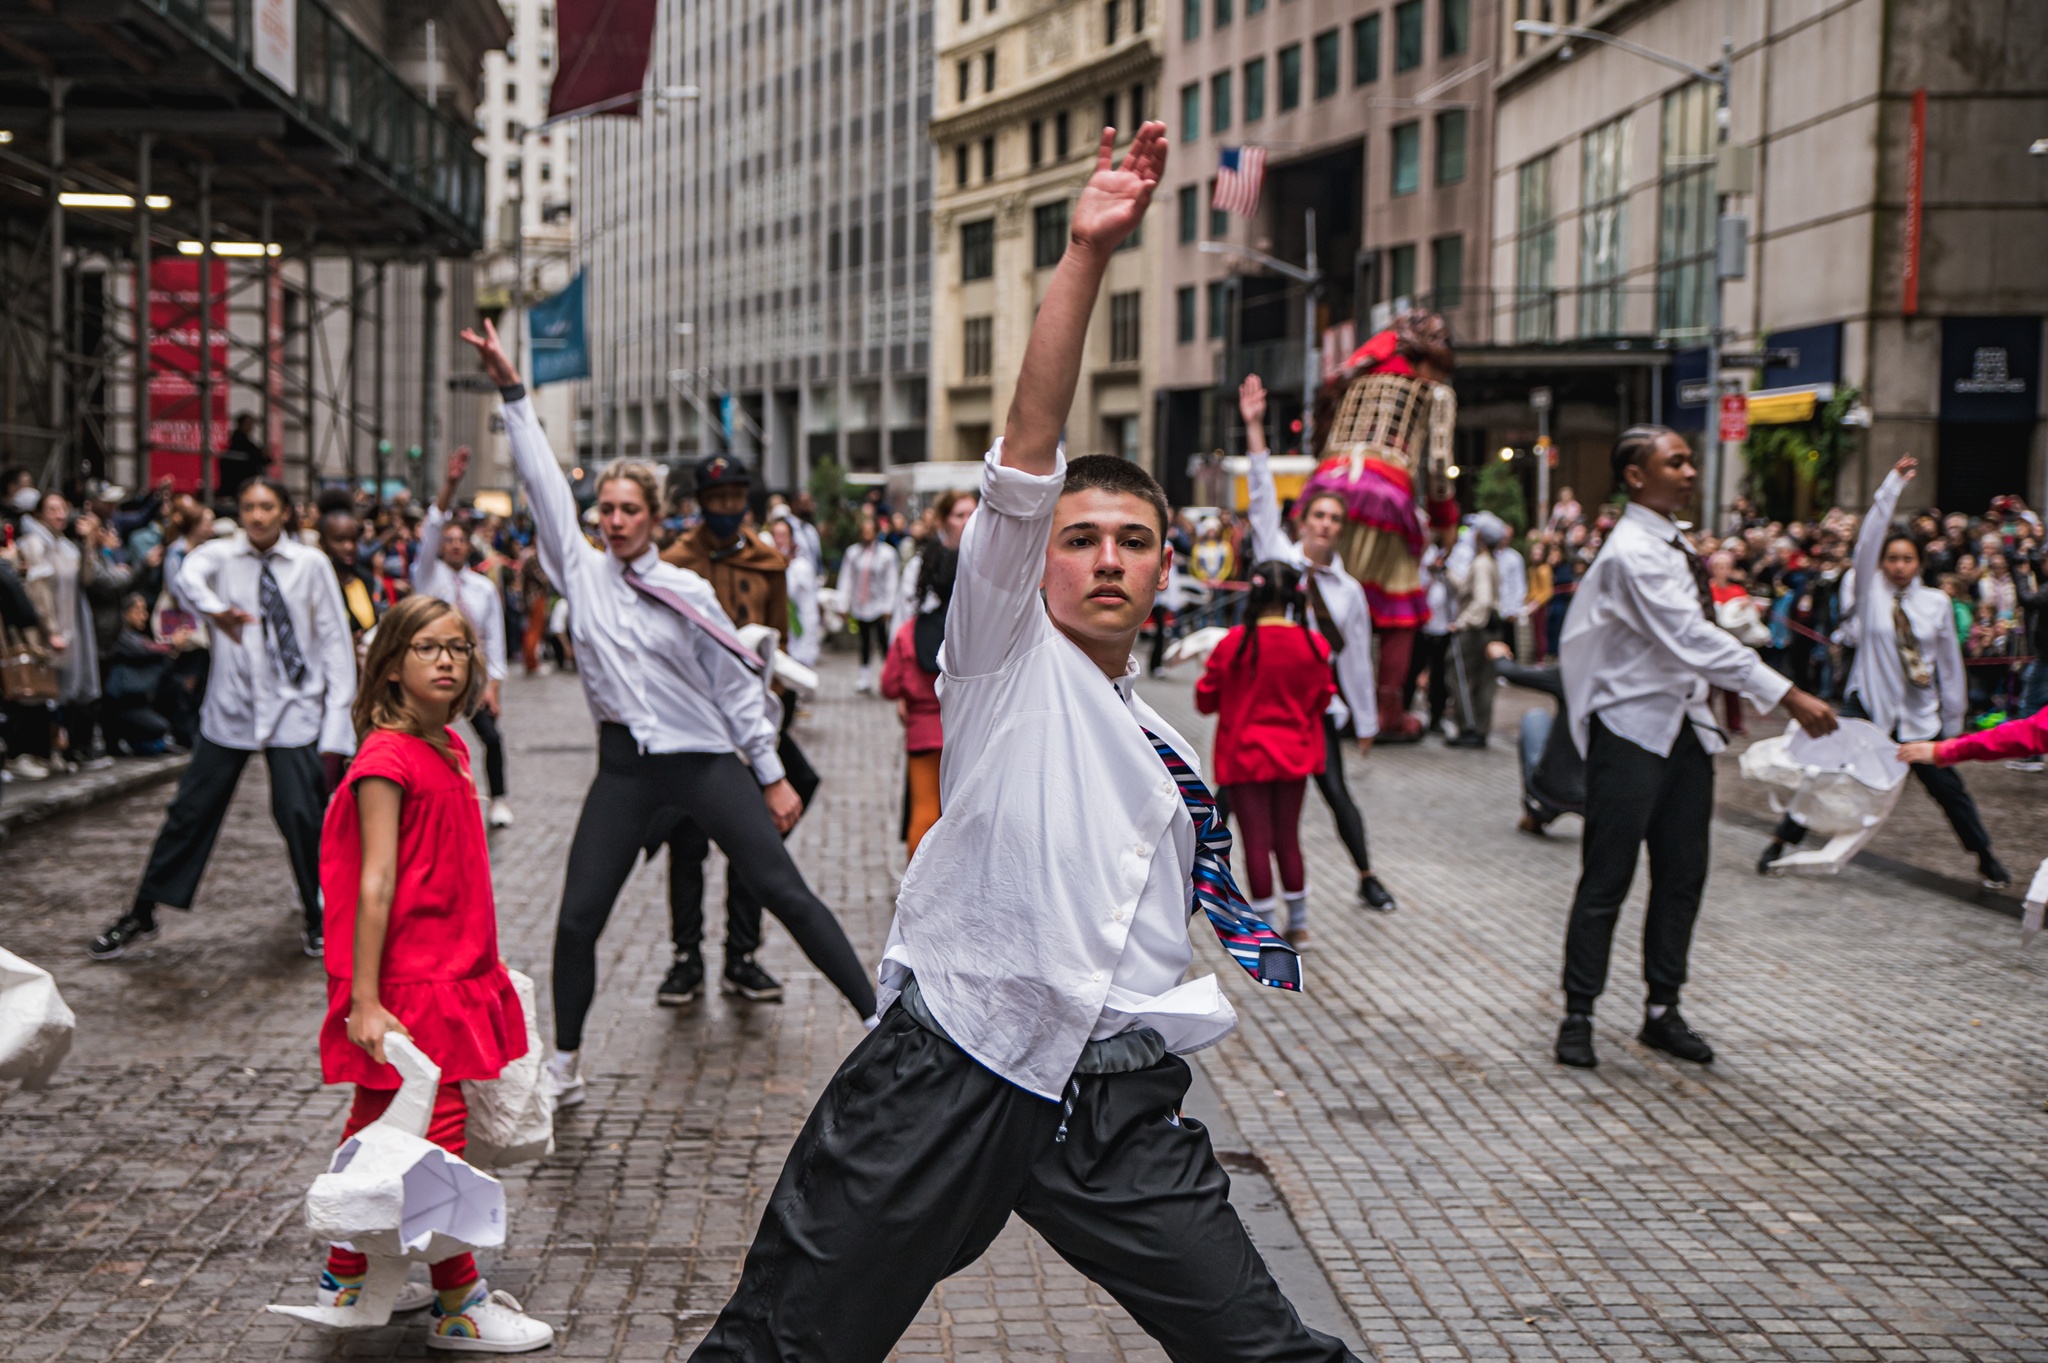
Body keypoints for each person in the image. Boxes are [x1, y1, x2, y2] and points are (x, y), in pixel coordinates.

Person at [689, 121, 1357, 1363]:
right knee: (783, 1344)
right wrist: (1086, 256)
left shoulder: (1162, 744)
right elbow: (1023, 458)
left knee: (1266, 1348)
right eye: (1079, 535)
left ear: (1166, 566)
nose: (1104, 557)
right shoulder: (999, 656)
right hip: (954, 1067)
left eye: (1133, 541)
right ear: (1036, 555)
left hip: (1110, 1102)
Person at [459, 318, 876, 1110]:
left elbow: (736, 690)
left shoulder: (685, 590)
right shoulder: (579, 574)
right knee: (578, 916)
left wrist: (773, 776)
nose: (614, 520)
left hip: (704, 758)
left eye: (628, 509)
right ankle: (567, 1066)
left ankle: (880, 1017)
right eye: (606, 509)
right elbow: (546, 485)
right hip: (624, 768)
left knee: (782, 889)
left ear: (654, 516)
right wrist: (514, 393)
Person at [311, 593, 553, 1352]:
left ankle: (347, 1277)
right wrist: (366, 998)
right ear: (390, 665)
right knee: (437, 1146)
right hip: (411, 987)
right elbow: (372, 882)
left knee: (383, 1127)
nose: (446, 660)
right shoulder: (385, 757)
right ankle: (459, 1301)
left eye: (456, 647)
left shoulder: (449, 745)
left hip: (448, 972)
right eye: (426, 648)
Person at [1553, 426, 1838, 1070]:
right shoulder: (1633, 551)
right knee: (1608, 875)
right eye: (1674, 461)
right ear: (1634, 475)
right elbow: (1691, 639)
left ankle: (1662, 1010)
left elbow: (1696, 638)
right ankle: (1579, 1013)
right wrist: (1788, 693)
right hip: (1629, 727)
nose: (1689, 471)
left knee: (1683, 873)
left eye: (1689, 460)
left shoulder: (1672, 540)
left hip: (1684, 724)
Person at [89, 478, 357, 961]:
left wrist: (337, 724)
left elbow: (335, 641)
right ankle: (143, 911)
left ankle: (321, 915)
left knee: (300, 814)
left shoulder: (310, 564)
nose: (256, 516)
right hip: (231, 709)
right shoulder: (222, 555)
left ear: (284, 512)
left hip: (293, 707)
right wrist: (217, 612)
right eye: (249, 506)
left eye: (267, 507)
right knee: (190, 812)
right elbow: (186, 574)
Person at [1761, 458, 2008, 886]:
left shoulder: (1936, 603)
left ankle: (1985, 856)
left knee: (1949, 790)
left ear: (1919, 563)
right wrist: (1891, 488)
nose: (1898, 566)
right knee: (1825, 771)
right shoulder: (1870, 593)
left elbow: (1950, 666)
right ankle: (1782, 840)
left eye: (1907, 559)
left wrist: (1952, 721)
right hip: (1868, 708)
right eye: (1891, 559)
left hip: (1919, 719)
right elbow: (1868, 542)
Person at [656, 452, 814, 1008]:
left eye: (734, 498)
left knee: (760, 834)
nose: (726, 508)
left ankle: (742, 955)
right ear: (701, 503)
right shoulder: (673, 563)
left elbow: (777, 642)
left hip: (752, 723)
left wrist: (775, 700)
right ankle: (686, 958)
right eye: (716, 499)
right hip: (693, 725)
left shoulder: (768, 562)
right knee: (686, 840)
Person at [1240, 373, 1397, 912]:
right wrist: (1256, 429)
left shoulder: (1350, 592)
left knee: (1336, 791)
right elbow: (1261, 499)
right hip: (1263, 700)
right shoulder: (1278, 559)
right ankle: (1194, 876)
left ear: (1341, 528)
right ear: (1302, 520)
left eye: (1334, 519)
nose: (1326, 525)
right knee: (1236, 794)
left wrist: (1367, 722)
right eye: (1318, 516)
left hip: (1315, 707)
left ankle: (1368, 875)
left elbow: (1355, 658)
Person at [1195, 559, 1335, 949]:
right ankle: (1301, 923)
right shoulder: (1313, 644)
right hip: (1295, 755)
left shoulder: (1234, 643)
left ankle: (1265, 926)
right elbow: (1323, 699)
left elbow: (1205, 700)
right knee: (1287, 838)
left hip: (1244, 757)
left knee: (1255, 841)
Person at [413, 447, 516, 830]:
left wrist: (493, 686)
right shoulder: (427, 576)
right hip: (427, 669)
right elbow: (434, 525)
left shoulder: (482, 588)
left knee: (490, 736)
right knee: (424, 736)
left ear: (470, 545)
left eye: (461, 540)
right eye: (449, 539)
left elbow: (495, 639)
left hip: (469, 673)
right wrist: (450, 484)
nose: (454, 544)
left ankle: (499, 799)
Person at [18, 492, 103, 769]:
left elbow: (87, 579)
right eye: (53, 509)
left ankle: (66, 750)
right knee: (44, 690)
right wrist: (51, 629)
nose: (59, 514)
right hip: (47, 630)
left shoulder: (66, 546)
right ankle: (43, 752)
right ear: (39, 513)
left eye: (63, 508)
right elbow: (38, 591)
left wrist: (88, 544)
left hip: (73, 624)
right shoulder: (33, 544)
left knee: (71, 687)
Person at [879, 546, 952, 861]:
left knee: (923, 813)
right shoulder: (974, 631)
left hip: (922, 734)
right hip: (965, 732)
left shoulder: (910, 631)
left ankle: (917, 889)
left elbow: (888, 684)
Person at [1445, 513, 1507, 749]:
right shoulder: (1489, 562)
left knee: (1460, 677)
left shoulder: (1481, 563)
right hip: (1490, 628)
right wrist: (1448, 573)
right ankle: (1480, 729)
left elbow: (1482, 600)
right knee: (1485, 681)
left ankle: (1467, 727)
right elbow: (1471, 589)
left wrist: (1462, 622)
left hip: (1476, 631)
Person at [837, 512, 899, 693]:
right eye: (864, 531)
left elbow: (891, 581)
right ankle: (864, 677)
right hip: (860, 604)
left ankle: (889, 676)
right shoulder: (853, 553)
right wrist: (843, 604)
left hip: (879, 605)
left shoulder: (887, 554)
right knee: (864, 641)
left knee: (882, 641)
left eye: (870, 531)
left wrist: (889, 606)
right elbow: (846, 579)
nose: (867, 534)